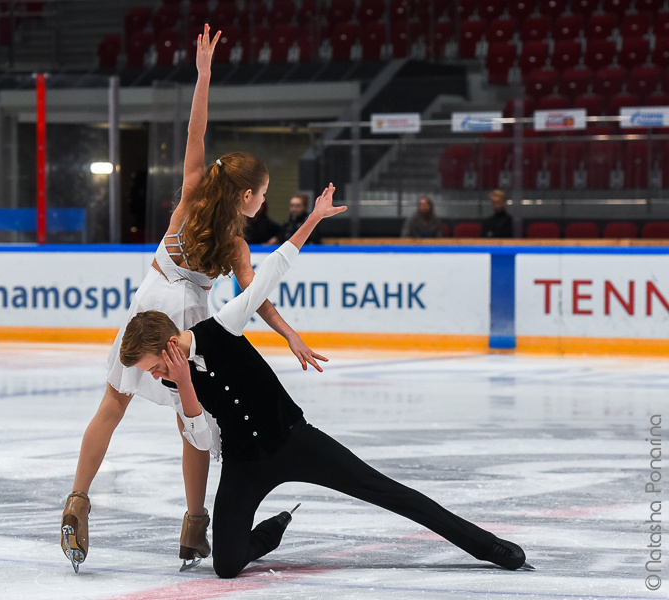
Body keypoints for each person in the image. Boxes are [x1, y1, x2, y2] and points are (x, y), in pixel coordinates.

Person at [119, 184, 533, 579]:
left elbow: (270, 273)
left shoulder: (222, 327)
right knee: (226, 565)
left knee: (384, 490)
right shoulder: (176, 380)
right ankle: (268, 534)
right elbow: (202, 443)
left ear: (170, 342)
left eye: (152, 365)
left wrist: (313, 218)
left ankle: (487, 545)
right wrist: (185, 385)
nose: (154, 377)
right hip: (244, 464)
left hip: (295, 440)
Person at [61, 25, 327, 574]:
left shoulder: (191, 197)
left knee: (112, 404)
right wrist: (289, 333)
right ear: (248, 196)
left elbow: (195, 131)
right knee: (193, 420)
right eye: (263, 192)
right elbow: (255, 298)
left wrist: (203, 75)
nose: (264, 200)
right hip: (187, 316)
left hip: (150, 295)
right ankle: (192, 525)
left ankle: (78, 500)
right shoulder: (234, 240)